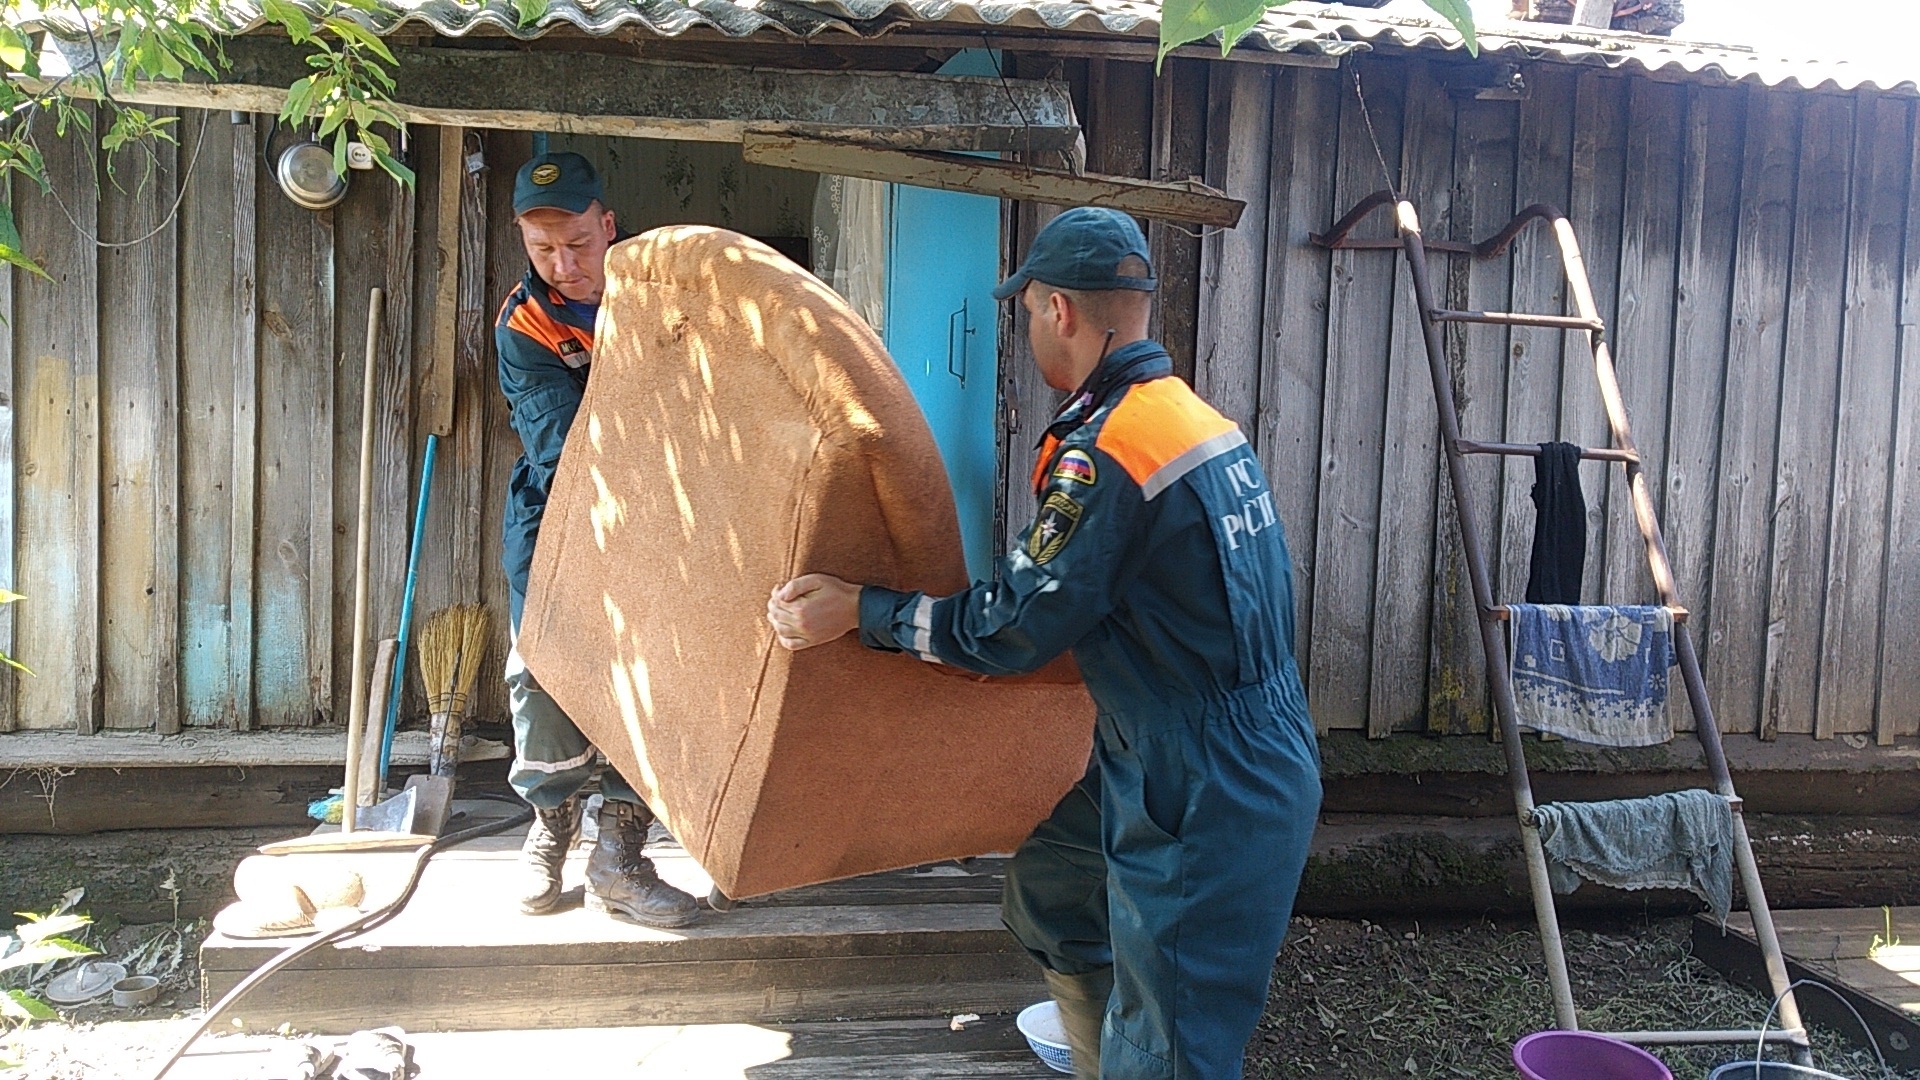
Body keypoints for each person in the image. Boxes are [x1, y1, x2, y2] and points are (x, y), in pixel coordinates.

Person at [765, 207, 1321, 1079]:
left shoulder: (1110, 452)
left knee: (1171, 1046)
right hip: (1204, 741)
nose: (1024, 328)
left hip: (1203, 775)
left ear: (1058, 310)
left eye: (1024, 312)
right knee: (1054, 893)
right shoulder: (1191, 419)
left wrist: (859, 611)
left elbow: (1013, 627)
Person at [495, 151, 699, 928]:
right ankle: (549, 824)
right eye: (543, 249)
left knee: (655, 676)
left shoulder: (669, 289)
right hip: (561, 508)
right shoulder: (526, 325)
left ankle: (619, 853)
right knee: (544, 669)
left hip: (667, 514)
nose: (564, 264)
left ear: (607, 224)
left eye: (578, 243)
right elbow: (562, 445)